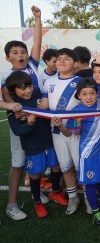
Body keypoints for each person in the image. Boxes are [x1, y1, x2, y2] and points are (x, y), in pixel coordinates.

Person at [5, 71, 67, 218]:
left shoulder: (38, 99)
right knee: (35, 174)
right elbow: (17, 130)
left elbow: (47, 114)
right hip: (33, 147)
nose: (27, 91)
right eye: (22, 88)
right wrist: (29, 124)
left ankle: (56, 192)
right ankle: (38, 202)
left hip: (49, 142)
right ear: (14, 91)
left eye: (29, 86)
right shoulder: (14, 109)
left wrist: (45, 111)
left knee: (56, 166)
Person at [1, 5, 42, 221]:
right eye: (15, 53)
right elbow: (4, 100)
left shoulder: (33, 67)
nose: (21, 55)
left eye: (23, 51)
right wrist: (12, 107)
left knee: (38, 156)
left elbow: (37, 42)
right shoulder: (5, 76)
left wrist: (37, 19)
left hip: (39, 122)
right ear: (8, 57)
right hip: (20, 125)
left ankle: (37, 192)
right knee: (18, 162)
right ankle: (11, 204)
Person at [52, 78, 100, 225]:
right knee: (90, 183)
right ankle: (96, 211)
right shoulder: (77, 111)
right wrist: (60, 126)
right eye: (84, 94)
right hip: (88, 154)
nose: (88, 97)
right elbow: (71, 133)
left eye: (92, 93)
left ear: (97, 94)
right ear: (79, 96)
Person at [40, 48, 82, 215]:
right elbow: (44, 105)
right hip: (56, 130)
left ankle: (88, 197)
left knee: (82, 165)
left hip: (78, 131)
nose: (62, 61)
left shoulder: (81, 81)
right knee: (65, 165)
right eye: (59, 59)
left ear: (75, 64)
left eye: (66, 58)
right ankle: (73, 197)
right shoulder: (48, 82)